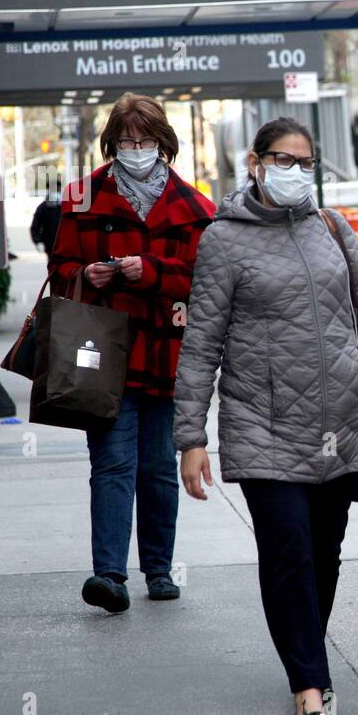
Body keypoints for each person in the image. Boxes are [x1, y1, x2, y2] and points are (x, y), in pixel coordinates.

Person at [172, 118, 358, 715]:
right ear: (255, 162)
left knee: (324, 555)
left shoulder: (328, 227)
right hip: (261, 426)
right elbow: (201, 346)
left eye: (305, 160)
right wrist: (190, 438)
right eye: (282, 158)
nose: (295, 170)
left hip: (339, 423)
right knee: (290, 553)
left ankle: (307, 660)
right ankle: (308, 688)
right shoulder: (223, 240)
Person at [48, 93, 215, 615]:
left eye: (145, 141)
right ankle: (109, 575)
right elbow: (60, 269)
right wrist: (87, 274)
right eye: (127, 141)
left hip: (167, 351)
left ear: (163, 143)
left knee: (159, 467)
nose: (136, 150)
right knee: (112, 464)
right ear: (112, 143)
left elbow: (210, 282)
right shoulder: (82, 198)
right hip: (104, 352)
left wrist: (156, 273)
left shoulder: (195, 207)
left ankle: (159, 569)